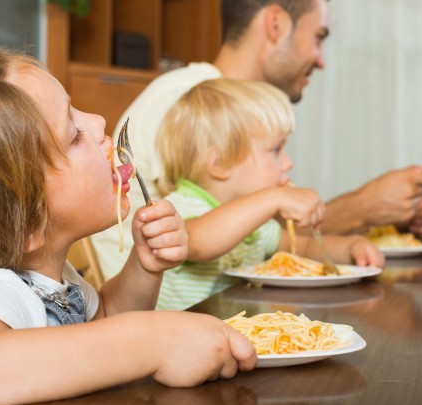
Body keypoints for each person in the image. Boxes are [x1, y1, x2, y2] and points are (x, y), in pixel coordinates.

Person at [0, 50, 256, 405]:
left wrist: (143, 267)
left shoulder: (53, 279)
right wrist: (149, 341)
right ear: (27, 222)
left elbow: (106, 318)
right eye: (74, 134)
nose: (97, 122)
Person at [93, 0, 422, 280]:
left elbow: (271, 234)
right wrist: (363, 207)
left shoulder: (242, 117)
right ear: (275, 24)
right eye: (318, 37)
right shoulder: (188, 105)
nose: (321, 60)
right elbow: (198, 234)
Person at [155, 78, 385, 310]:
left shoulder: (256, 224)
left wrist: (351, 248)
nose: (287, 163)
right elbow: (196, 243)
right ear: (220, 163)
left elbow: (302, 249)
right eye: (276, 150)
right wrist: (273, 198)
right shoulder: (178, 209)